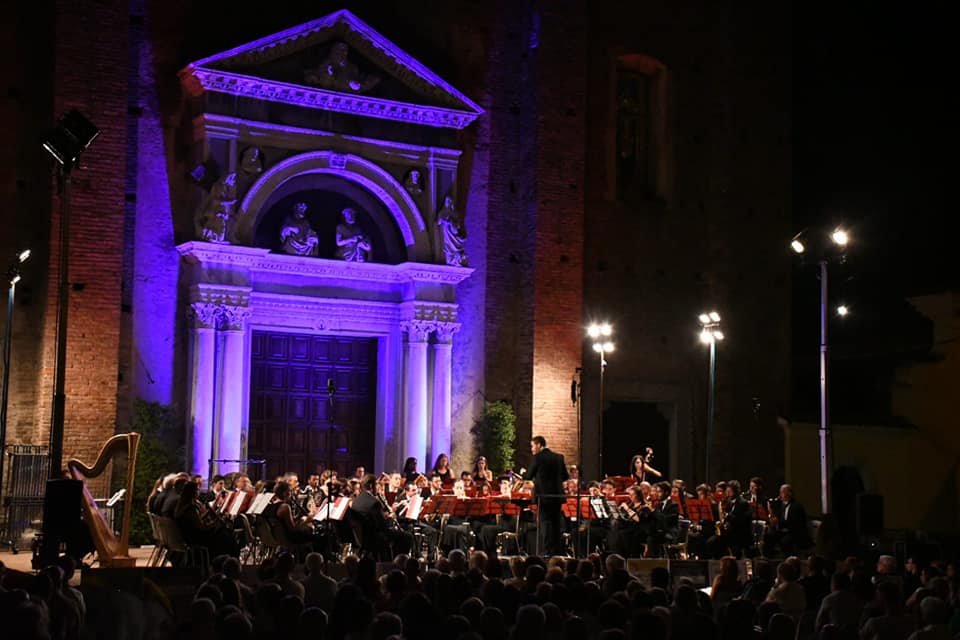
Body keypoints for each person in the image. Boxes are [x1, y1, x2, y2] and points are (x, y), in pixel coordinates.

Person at [521, 435, 569, 556]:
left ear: (539, 445)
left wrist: (523, 473)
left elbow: (528, 476)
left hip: (544, 497)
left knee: (545, 524)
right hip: (557, 497)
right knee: (556, 524)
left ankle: (547, 552)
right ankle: (557, 551)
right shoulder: (559, 457)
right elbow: (565, 476)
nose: (532, 449)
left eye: (532, 446)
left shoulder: (538, 458)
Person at [765, 484, 812, 555]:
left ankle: (787, 558)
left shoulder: (797, 506)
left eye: (782, 492)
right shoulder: (780, 505)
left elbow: (794, 524)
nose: (780, 495)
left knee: (785, 541)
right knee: (768, 537)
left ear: (789, 493)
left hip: (795, 533)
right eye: (780, 492)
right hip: (783, 531)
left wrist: (778, 522)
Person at [436, 195, 467, 266]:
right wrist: (445, 221)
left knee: (456, 236)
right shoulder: (442, 212)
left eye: (450, 202)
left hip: (452, 230)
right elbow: (439, 222)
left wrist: (452, 222)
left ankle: (455, 255)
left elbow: (458, 223)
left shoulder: (455, 213)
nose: (449, 203)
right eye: (448, 202)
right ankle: (452, 256)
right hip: (446, 231)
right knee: (448, 244)